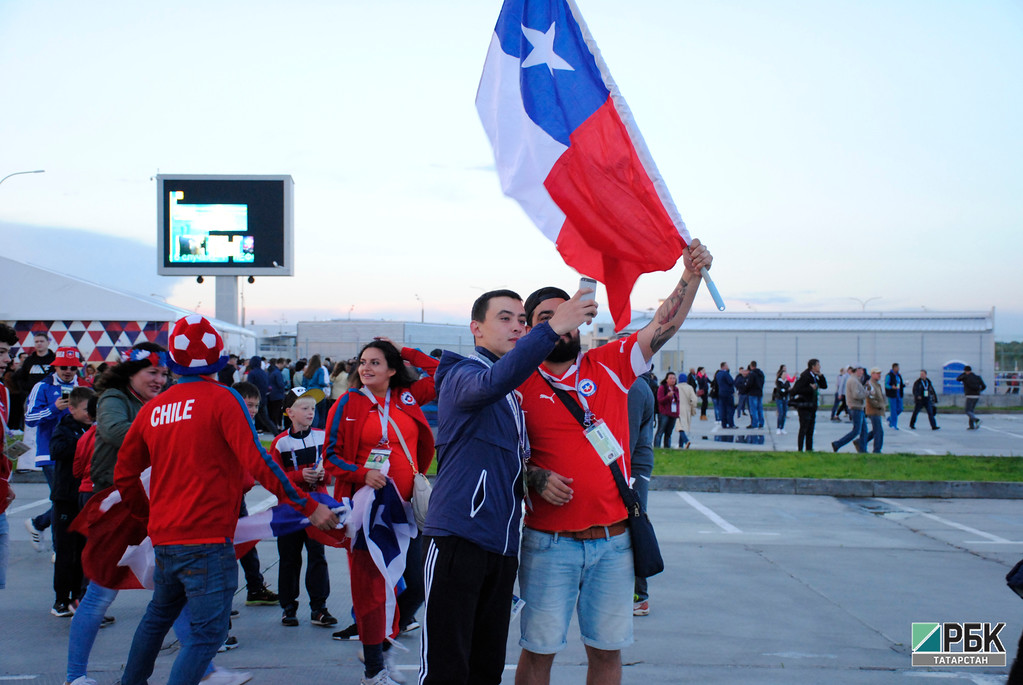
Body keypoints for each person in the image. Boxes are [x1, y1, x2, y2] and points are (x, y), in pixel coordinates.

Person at [515, 239, 712, 685]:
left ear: (581, 318)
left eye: (564, 314)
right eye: (545, 319)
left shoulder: (611, 364)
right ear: (529, 329)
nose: (558, 325)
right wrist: (534, 476)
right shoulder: (516, 382)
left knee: (606, 655)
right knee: (537, 653)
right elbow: (494, 457)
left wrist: (690, 276)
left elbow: (663, 324)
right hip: (548, 544)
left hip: (613, 544)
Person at [113, 315, 338, 685]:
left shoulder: (155, 408)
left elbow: (124, 473)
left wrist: (148, 517)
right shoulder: (223, 398)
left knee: (156, 620)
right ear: (220, 358)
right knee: (206, 637)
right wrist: (308, 505)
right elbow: (259, 460)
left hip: (167, 538)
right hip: (207, 540)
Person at [419, 288, 596, 685]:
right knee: (447, 670)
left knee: (486, 670)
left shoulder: (513, 394)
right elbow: (493, 382)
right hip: (457, 540)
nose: (516, 325)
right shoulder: (462, 374)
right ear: (475, 329)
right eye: (504, 318)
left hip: (500, 549)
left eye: (521, 319)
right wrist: (553, 328)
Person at [324, 340, 438, 685]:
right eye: (362, 362)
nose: (366, 368)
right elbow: (330, 456)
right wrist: (362, 474)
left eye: (376, 362)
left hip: (408, 510)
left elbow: (440, 372)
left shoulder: (406, 397)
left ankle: (380, 640)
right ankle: (373, 670)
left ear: (392, 369)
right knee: (371, 589)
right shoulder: (348, 402)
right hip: (368, 513)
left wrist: (405, 350)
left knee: (417, 585)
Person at [65, 342, 172, 685]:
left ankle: (207, 669)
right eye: (151, 372)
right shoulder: (114, 398)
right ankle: (75, 675)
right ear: (132, 372)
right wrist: (168, 440)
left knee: (172, 586)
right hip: (116, 506)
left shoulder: (158, 403)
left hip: (151, 504)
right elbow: (113, 432)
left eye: (164, 373)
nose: (159, 379)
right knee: (100, 593)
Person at [268, 387, 335, 629]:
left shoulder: (322, 436)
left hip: (317, 508)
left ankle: (319, 608)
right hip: (289, 511)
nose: (310, 412)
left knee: (317, 556)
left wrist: (323, 475)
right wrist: (298, 475)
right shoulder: (280, 443)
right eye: (304, 408)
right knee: (288, 559)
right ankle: (288, 608)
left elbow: (331, 469)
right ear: (289, 412)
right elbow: (273, 479)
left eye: (313, 408)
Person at [24, 347, 83, 556]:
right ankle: (59, 549)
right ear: (55, 366)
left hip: (78, 452)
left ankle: (39, 524)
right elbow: (29, 419)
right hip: (50, 453)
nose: (68, 371)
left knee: (70, 499)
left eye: (73, 368)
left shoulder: (82, 387)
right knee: (63, 498)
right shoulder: (42, 387)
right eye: (64, 367)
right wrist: (54, 408)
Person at [228, 382, 279, 611]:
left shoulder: (246, 427)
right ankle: (219, 603)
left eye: (256, 406)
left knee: (246, 543)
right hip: (223, 499)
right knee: (224, 550)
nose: (253, 410)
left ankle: (255, 587)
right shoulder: (230, 426)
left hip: (237, 496)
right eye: (248, 404)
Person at [49, 386, 95, 617]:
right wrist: (83, 443)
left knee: (85, 551)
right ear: (72, 409)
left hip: (85, 497)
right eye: (86, 410)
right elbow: (56, 451)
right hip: (66, 498)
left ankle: (79, 598)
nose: (90, 414)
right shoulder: (65, 428)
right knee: (66, 552)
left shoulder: (95, 430)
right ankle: (60, 599)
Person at [626, 374, 655, 616]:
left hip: (632, 467)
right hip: (631, 465)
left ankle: (639, 595)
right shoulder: (633, 383)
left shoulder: (634, 387)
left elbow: (628, 436)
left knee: (634, 525)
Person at [0, 323, 18, 591]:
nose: (7, 359)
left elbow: (8, 440)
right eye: (2, 352)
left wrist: (7, 479)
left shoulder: (3, 392)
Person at [789, 359, 828, 452]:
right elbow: (795, 390)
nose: (820, 367)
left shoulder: (815, 376)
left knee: (811, 429)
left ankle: (809, 448)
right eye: (818, 365)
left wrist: (821, 376)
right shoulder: (805, 376)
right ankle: (800, 449)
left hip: (812, 406)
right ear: (813, 366)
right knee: (804, 428)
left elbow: (824, 386)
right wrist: (810, 388)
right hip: (804, 406)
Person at [831, 367, 867, 453]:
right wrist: (867, 393)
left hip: (859, 407)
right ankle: (838, 444)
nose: (862, 372)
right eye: (861, 370)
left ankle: (862, 449)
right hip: (856, 407)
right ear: (857, 371)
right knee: (856, 431)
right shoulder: (853, 380)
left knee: (864, 431)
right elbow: (856, 395)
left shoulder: (855, 380)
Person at [301, 354, 331, 429]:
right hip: (318, 393)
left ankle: (312, 428)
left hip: (309, 393)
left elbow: (303, 384)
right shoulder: (320, 370)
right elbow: (321, 382)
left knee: (312, 412)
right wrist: (327, 384)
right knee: (321, 414)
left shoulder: (307, 371)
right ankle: (319, 430)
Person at [653, 372, 680, 448]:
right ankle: (657, 447)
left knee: (669, 433)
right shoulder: (662, 388)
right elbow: (660, 400)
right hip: (664, 413)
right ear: (667, 379)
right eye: (670, 378)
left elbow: (677, 401)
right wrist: (668, 396)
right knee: (660, 431)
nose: (672, 380)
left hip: (673, 413)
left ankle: (667, 448)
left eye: (674, 378)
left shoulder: (676, 389)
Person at [863, 367, 886, 453]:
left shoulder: (876, 384)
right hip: (873, 410)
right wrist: (879, 405)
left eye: (879, 373)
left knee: (876, 430)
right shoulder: (870, 385)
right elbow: (870, 398)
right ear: (872, 374)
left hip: (877, 411)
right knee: (879, 432)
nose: (879, 375)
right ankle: (877, 450)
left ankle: (861, 442)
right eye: (877, 373)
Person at [956, 365, 986, 429]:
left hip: (969, 395)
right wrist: (979, 390)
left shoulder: (965, 377)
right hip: (977, 395)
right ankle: (971, 426)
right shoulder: (977, 377)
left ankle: (976, 420)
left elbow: (958, 378)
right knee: (971, 411)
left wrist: (963, 374)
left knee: (967, 411)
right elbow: (984, 386)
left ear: (965, 371)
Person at [676, 377, 699, 449]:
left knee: (680, 427)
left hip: (677, 409)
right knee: (682, 426)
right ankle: (680, 445)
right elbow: (694, 399)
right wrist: (693, 408)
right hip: (687, 409)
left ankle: (686, 441)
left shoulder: (676, 387)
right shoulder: (689, 388)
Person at [267, 359, 287, 430]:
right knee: (278, 411)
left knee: (273, 411)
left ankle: (274, 425)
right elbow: (280, 384)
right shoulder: (277, 373)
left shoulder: (271, 371)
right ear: (280, 363)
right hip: (278, 395)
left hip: (272, 394)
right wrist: (285, 384)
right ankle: (278, 426)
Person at [714, 362, 736, 429]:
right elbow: (731, 382)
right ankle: (731, 423)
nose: (728, 367)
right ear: (723, 366)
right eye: (727, 366)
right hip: (728, 393)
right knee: (730, 409)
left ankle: (724, 424)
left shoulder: (718, 374)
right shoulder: (725, 373)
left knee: (722, 409)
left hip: (721, 393)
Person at [885, 363, 905, 430]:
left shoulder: (899, 375)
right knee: (893, 410)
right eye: (897, 367)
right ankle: (894, 424)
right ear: (894, 368)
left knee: (900, 408)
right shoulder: (889, 375)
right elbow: (886, 385)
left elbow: (900, 384)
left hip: (899, 394)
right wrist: (891, 387)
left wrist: (904, 385)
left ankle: (890, 418)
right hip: (892, 395)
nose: (898, 369)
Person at [745, 361, 765, 429]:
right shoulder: (761, 373)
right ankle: (761, 423)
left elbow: (749, 384)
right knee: (760, 408)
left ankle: (754, 423)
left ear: (751, 366)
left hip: (752, 393)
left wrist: (746, 389)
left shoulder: (752, 374)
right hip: (759, 392)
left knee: (753, 409)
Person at [773, 365, 790, 435]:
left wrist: (785, 390)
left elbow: (788, 389)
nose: (785, 375)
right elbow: (780, 390)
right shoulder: (778, 382)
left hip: (785, 399)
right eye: (784, 374)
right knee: (781, 413)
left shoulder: (787, 382)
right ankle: (778, 428)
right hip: (779, 399)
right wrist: (785, 390)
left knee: (784, 413)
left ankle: (782, 428)